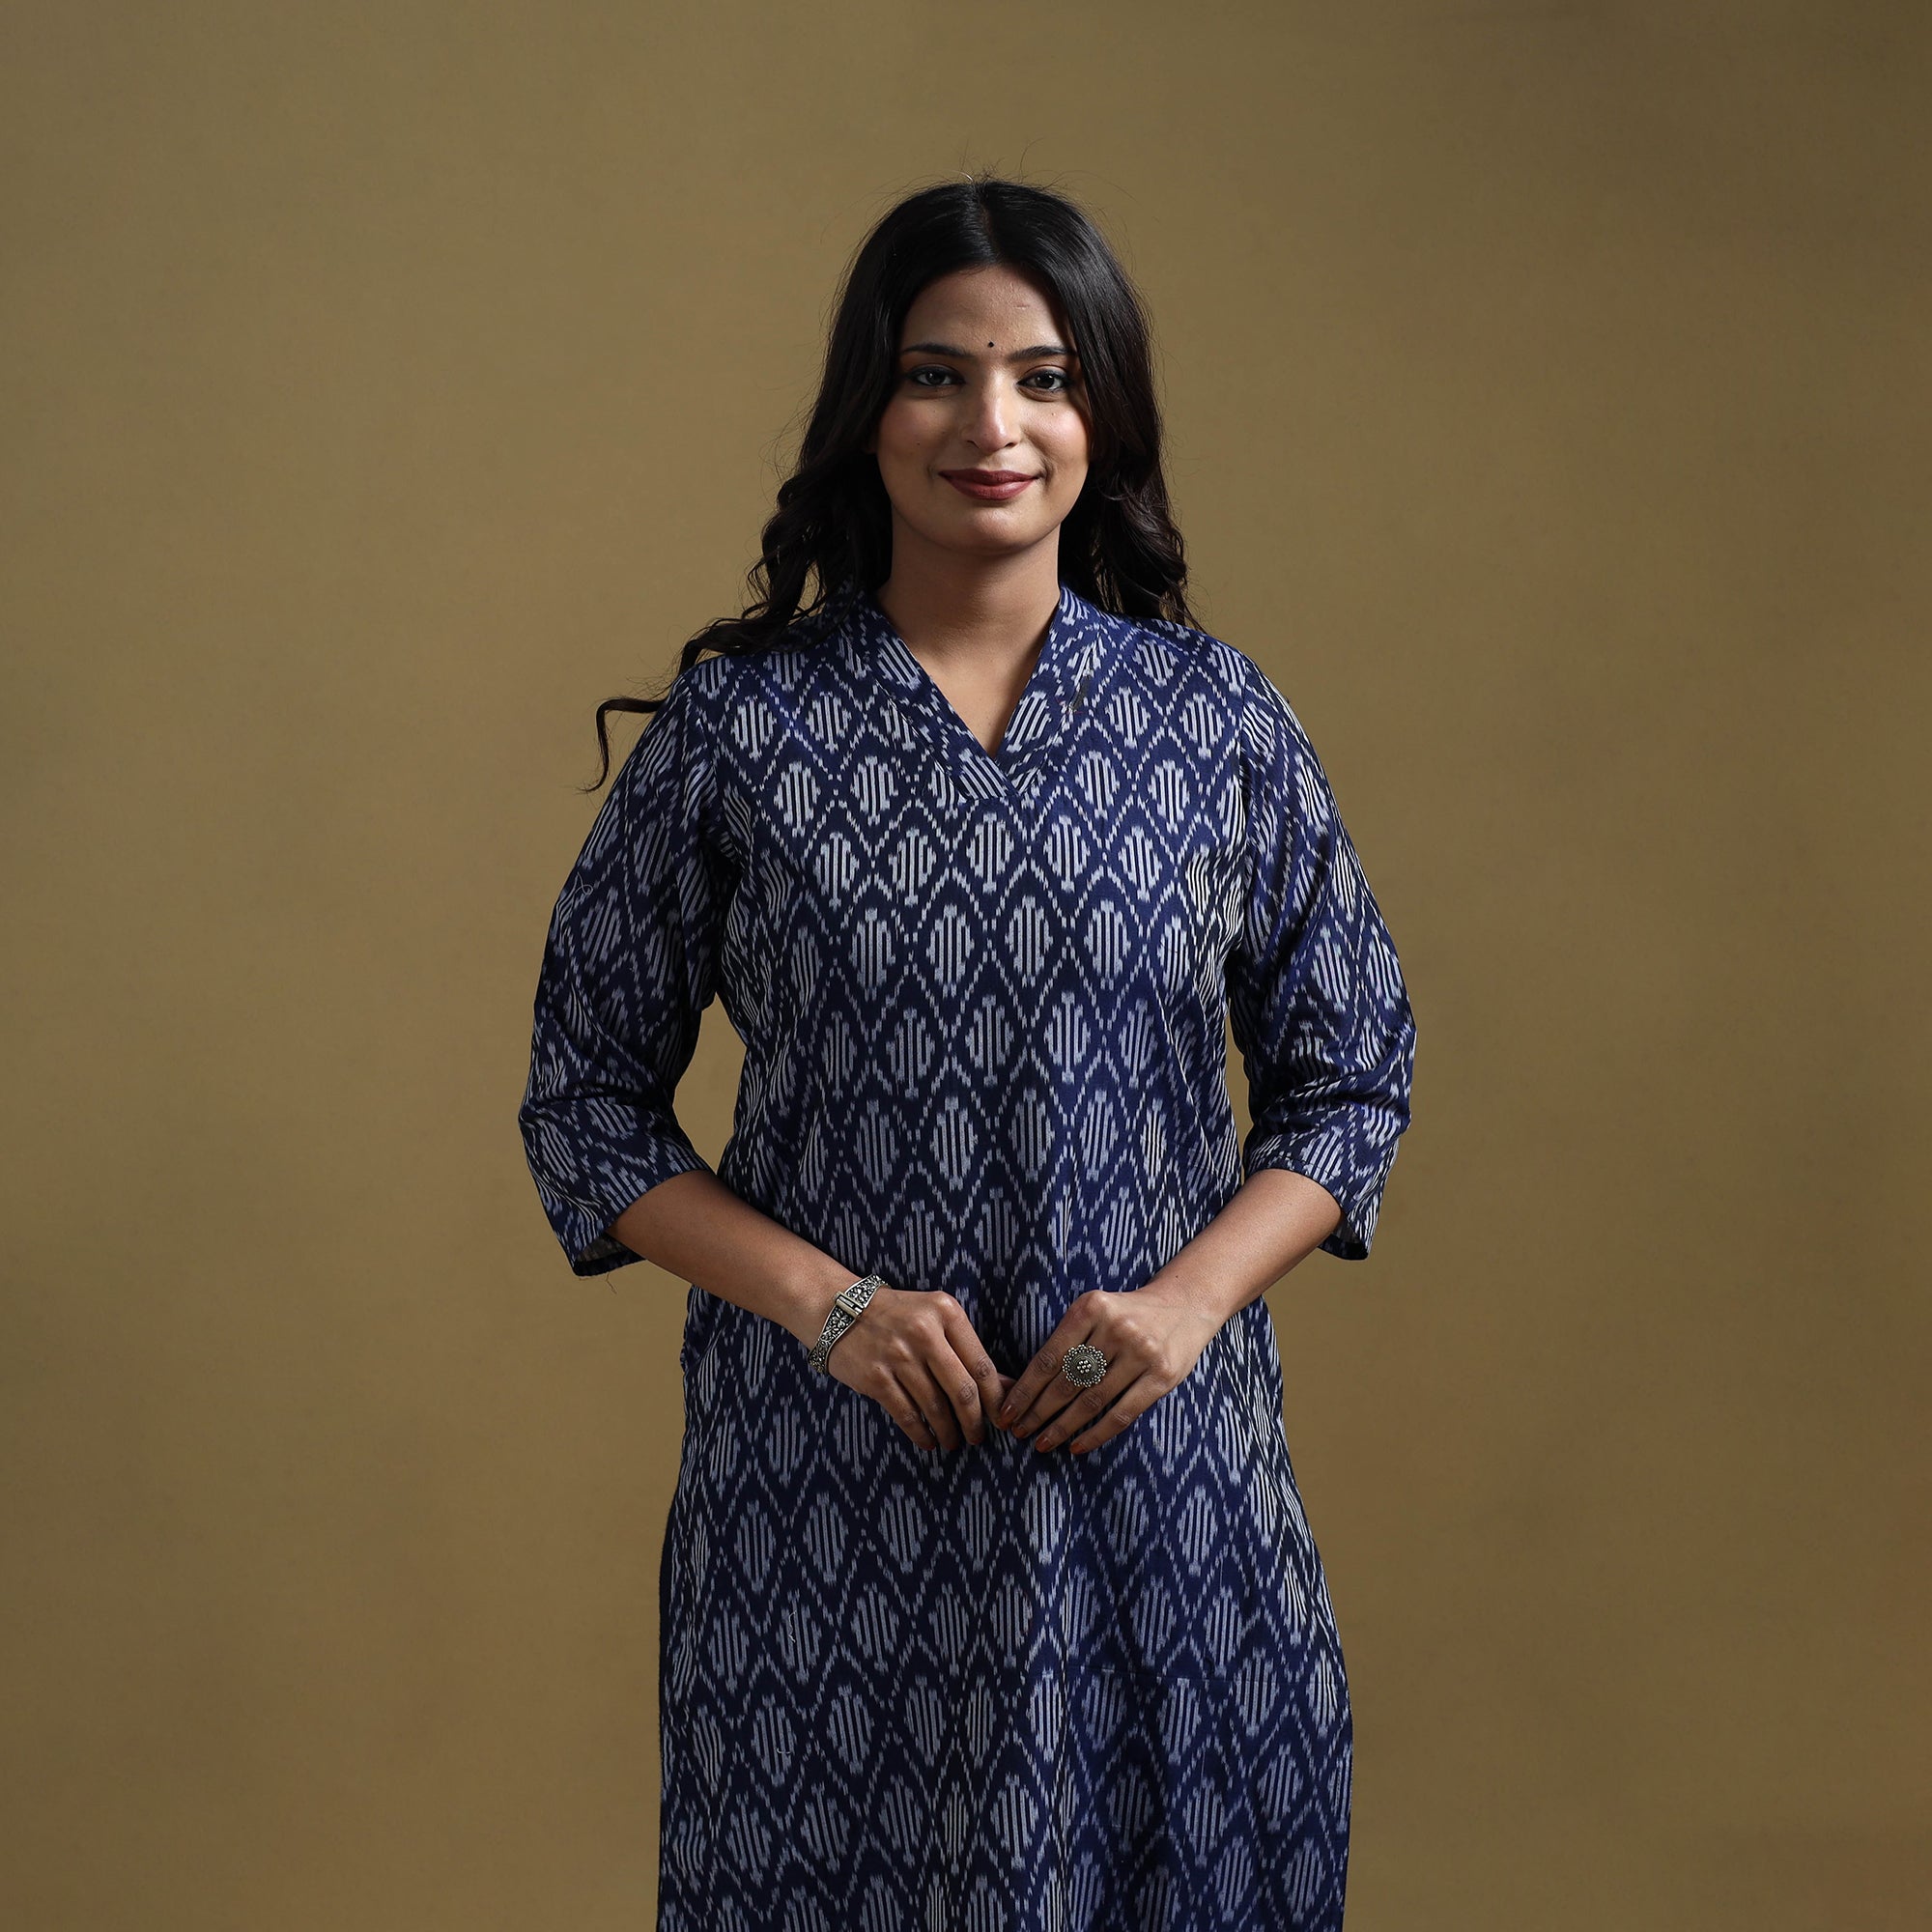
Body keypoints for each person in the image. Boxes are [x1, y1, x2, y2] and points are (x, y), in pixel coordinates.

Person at [517, 175, 1416, 1932]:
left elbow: (1352, 1075)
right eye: (937, 374)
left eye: (1045, 378)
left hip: (1159, 1497)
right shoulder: (743, 733)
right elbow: (585, 1105)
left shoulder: (1215, 724)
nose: (992, 425)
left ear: (1102, 419)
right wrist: (825, 1306)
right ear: (869, 410)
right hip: (832, 1517)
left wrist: (1185, 1307)